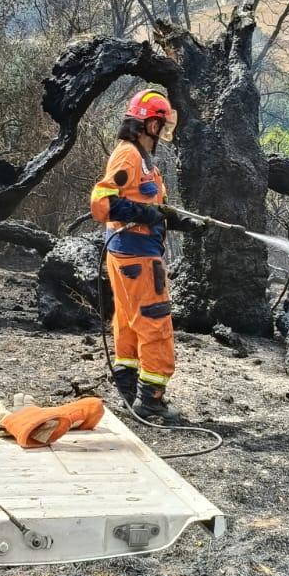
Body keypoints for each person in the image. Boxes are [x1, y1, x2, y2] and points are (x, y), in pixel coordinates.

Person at [89, 90, 205, 423]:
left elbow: (152, 207)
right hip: (137, 257)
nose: (164, 131)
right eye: (160, 123)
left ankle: (128, 392)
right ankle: (151, 401)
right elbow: (102, 203)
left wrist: (183, 221)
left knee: (127, 322)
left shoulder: (141, 158)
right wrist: (146, 215)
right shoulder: (128, 156)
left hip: (128, 254)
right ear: (148, 124)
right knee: (155, 323)